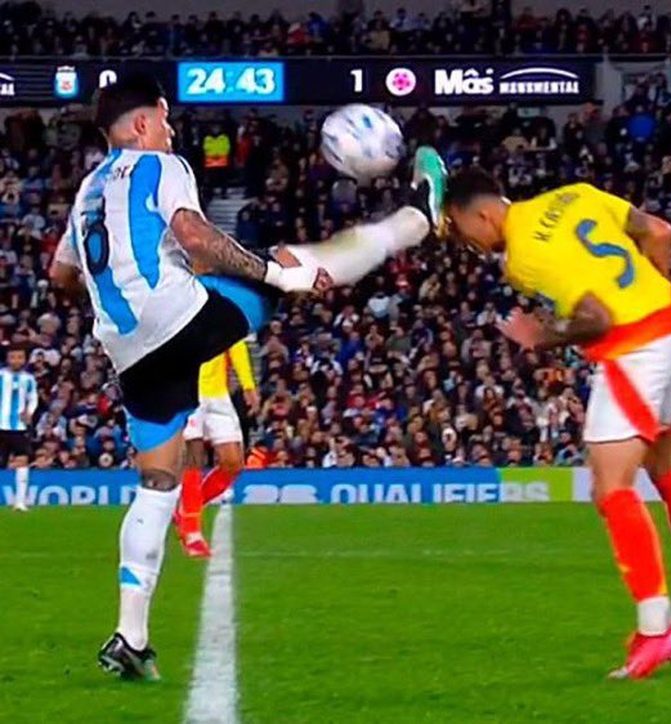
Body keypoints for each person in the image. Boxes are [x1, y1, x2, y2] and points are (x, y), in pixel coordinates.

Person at [49, 72, 446, 681]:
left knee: (157, 483)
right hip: (178, 319)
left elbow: (60, 277)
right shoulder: (159, 165)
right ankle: (414, 221)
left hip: (128, 349)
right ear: (141, 123)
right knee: (288, 262)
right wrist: (275, 276)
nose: (170, 131)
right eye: (164, 119)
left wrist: (120, 293)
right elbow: (194, 236)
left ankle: (131, 636)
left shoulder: (86, 191)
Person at [443, 168, 671, 680]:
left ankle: (657, 628)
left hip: (637, 350)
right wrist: (655, 295)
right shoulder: (574, 195)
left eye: (462, 230)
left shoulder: (523, 255)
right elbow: (659, 231)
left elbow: (597, 319)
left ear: (483, 215)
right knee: (665, 467)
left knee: (610, 488)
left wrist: (540, 337)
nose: (467, 244)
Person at [176, 338, 259, 557]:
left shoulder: (222, 316)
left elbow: (236, 343)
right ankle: (192, 531)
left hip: (217, 395)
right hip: (186, 393)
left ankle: (187, 510)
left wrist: (248, 385)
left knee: (233, 463)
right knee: (193, 458)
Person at [0, 343, 38, 512]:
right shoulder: (1, 376)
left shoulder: (28, 379)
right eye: (13, 357)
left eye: (20, 357)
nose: (16, 360)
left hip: (19, 427)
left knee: (22, 461)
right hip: (1, 425)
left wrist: (29, 412)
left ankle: (20, 502)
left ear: (24, 359)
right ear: (7, 359)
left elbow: (33, 398)